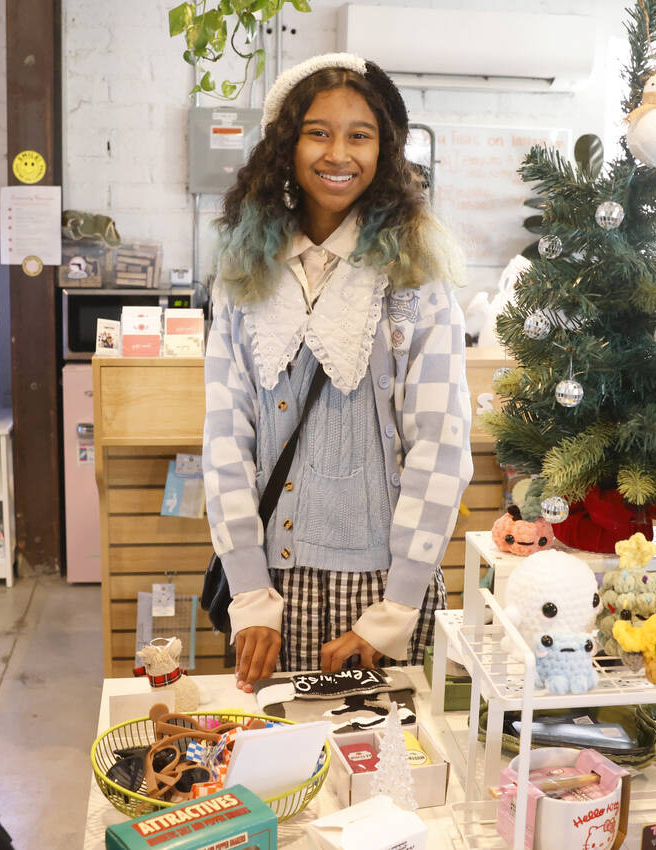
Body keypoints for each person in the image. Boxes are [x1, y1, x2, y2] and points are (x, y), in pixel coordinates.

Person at [203, 53, 473, 693]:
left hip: (384, 593)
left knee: (393, 773)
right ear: (287, 145)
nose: (338, 153)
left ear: (385, 150)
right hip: (271, 593)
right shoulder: (245, 275)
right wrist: (249, 593)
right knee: (280, 777)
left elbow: (442, 447)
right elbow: (224, 438)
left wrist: (392, 614)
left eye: (360, 135)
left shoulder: (413, 278)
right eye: (318, 132)